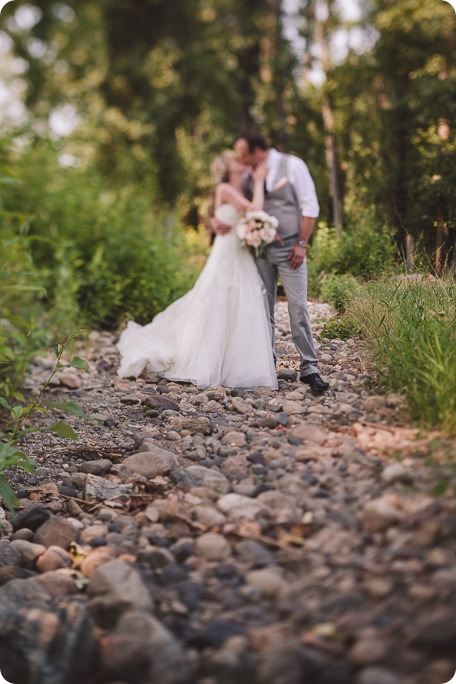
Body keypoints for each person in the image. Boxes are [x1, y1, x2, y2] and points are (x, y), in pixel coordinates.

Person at [117, 151, 278, 390]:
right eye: (236, 159)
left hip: (238, 251)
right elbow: (254, 210)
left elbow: (221, 214)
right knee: (217, 299)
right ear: (228, 167)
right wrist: (257, 181)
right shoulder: (225, 188)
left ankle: (241, 366)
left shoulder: (235, 190)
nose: (241, 160)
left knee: (239, 301)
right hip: (227, 253)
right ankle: (207, 363)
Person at [212, 131, 329, 392]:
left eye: (243, 154)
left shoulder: (293, 165)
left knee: (298, 307)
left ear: (256, 151)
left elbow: (310, 208)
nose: (240, 160)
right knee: (262, 308)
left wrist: (301, 244)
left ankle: (310, 368)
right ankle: (267, 364)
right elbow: (223, 197)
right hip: (259, 252)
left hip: (291, 251)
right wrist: (214, 219)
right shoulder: (247, 174)